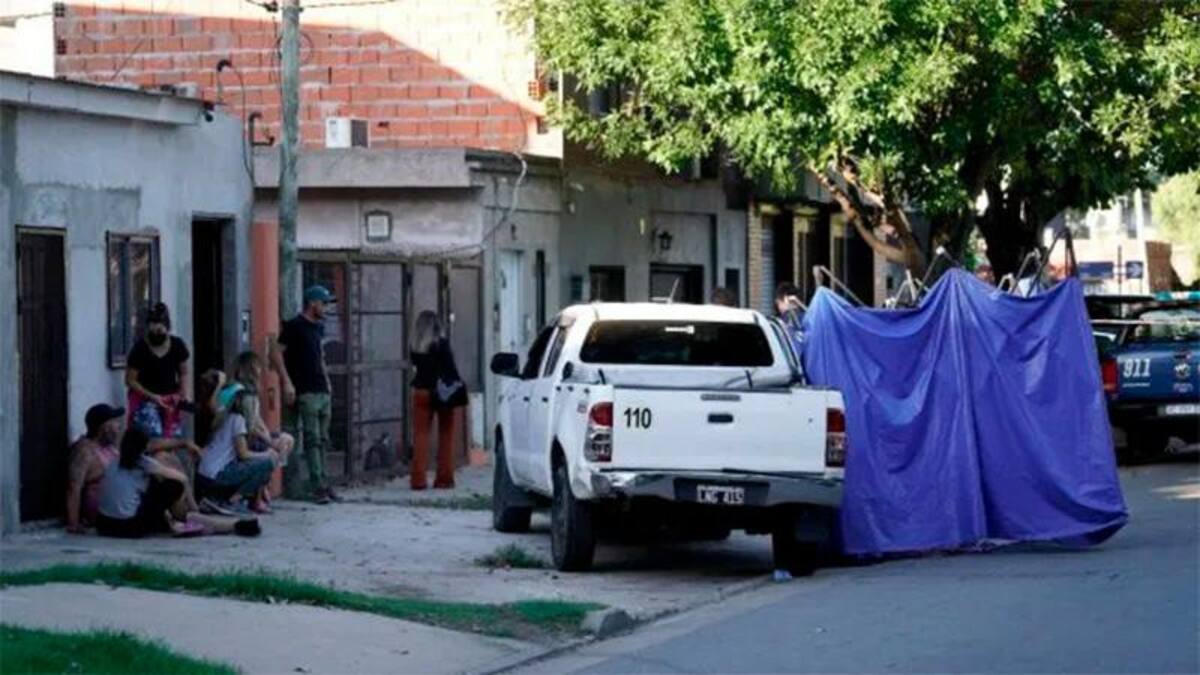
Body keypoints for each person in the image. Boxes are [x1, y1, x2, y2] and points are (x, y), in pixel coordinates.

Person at [272, 285, 338, 503]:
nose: (326, 307)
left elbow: (320, 356)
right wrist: (287, 382)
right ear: (313, 303)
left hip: (321, 388)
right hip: (305, 389)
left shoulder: (318, 327)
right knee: (312, 439)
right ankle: (317, 484)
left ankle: (325, 483)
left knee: (323, 439)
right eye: (324, 303)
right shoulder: (295, 326)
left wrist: (327, 382)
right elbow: (276, 353)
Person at [409, 311, 467, 490]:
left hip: (421, 391)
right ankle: (444, 478)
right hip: (443, 392)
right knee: (446, 435)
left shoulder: (416, 346)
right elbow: (451, 368)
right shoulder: (442, 344)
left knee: (420, 436)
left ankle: (418, 480)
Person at [197, 387, 278, 514]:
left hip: (204, 473)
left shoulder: (225, 416)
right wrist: (266, 454)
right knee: (268, 463)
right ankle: (233, 501)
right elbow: (243, 454)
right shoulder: (238, 420)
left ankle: (219, 498)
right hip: (216, 475)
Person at [125, 302, 191, 439]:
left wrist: (183, 393)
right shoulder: (140, 348)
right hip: (146, 400)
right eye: (152, 331)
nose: (156, 334)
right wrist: (152, 396)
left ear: (167, 328)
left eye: (160, 331)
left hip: (170, 400)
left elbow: (183, 372)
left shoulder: (177, 345)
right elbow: (130, 380)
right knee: (152, 438)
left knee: (172, 439)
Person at [65, 404, 125, 533]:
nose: (119, 427)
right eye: (115, 423)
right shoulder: (85, 451)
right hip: (104, 513)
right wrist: (73, 523)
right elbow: (73, 487)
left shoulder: (110, 448)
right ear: (104, 428)